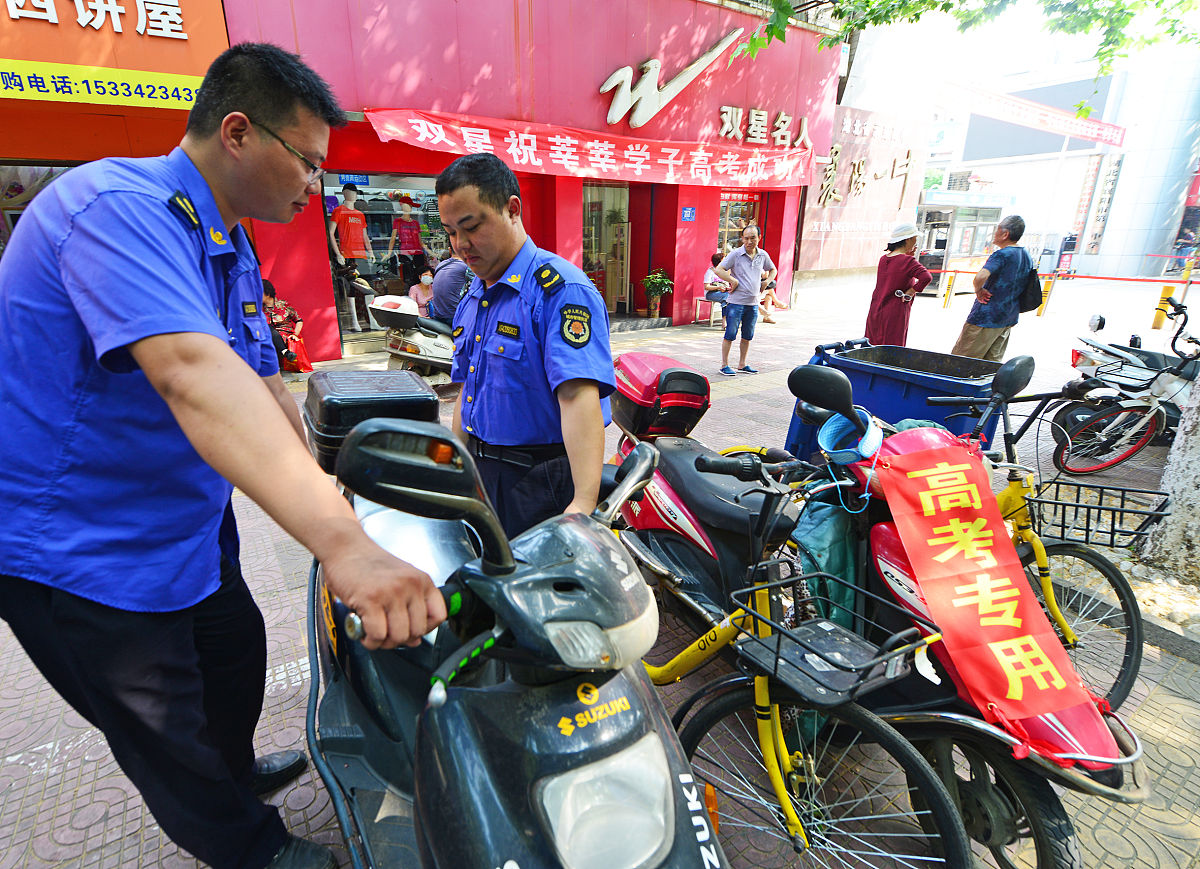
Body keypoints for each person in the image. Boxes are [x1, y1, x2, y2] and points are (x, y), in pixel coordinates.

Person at [0, 43, 444, 869]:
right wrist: (343, 547)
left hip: (185, 526)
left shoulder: (227, 240)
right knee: (164, 729)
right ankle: (253, 848)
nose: (314, 184)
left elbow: (264, 383)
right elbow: (196, 375)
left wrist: (341, 493)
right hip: (85, 551)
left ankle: (235, 770)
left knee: (234, 653)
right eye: (307, 161)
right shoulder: (116, 208)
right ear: (238, 132)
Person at [436, 152, 616, 538]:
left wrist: (582, 506)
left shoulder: (560, 292)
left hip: (538, 482)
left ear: (512, 209)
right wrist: (456, 464)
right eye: (451, 232)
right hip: (483, 473)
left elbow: (578, 398)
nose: (461, 245)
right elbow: (468, 389)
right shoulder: (476, 291)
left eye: (470, 227)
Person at [950, 215, 1032, 361]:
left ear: (1005, 234)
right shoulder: (1025, 254)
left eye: (997, 229)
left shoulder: (1002, 254)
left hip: (986, 318)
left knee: (962, 362)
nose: (994, 233)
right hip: (1007, 318)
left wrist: (978, 290)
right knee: (990, 365)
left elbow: (980, 277)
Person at [711, 225, 777, 376]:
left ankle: (742, 364)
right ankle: (724, 365)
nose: (749, 241)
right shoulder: (736, 254)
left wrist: (767, 282)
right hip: (736, 303)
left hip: (753, 304)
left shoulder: (763, 255)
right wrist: (732, 280)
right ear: (742, 239)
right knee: (730, 334)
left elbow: (773, 269)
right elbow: (719, 269)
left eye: (752, 238)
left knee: (747, 335)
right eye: (746, 238)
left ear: (759, 238)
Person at [864, 222, 932, 347]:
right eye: (915, 239)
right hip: (895, 310)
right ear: (908, 240)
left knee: (872, 344)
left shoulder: (884, 259)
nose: (915, 243)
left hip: (876, 307)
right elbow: (926, 277)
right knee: (892, 346)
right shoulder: (908, 261)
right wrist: (912, 290)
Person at [328, 182, 374, 273]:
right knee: (352, 283)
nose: (354, 195)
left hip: (361, 255)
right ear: (345, 193)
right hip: (347, 255)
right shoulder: (338, 211)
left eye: (355, 193)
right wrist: (338, 254)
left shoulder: (360, 214)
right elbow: (330, 233)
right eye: (351, 192)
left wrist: (371, 252)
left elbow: (365, 236)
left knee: (366, 283)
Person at [428, 251, 471, 326]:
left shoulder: (441, 265)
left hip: (438, 315)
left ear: (450, 250)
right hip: (454, 317)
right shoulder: (467, 266)